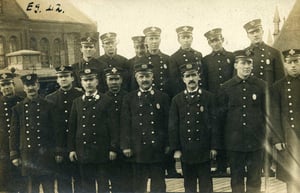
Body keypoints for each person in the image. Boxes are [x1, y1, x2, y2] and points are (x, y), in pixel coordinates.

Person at [218, 50, 267, 193]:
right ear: (235, 65)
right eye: (243, 63)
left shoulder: (261, 86)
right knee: (236, 179)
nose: (246, 66)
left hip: (256, 141)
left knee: (255, 179)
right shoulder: (226, 87)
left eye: (249, 63)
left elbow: (266, 115)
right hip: (234, 142)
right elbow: (221, 118)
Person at [243, 18, 285, 177]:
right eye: (251, 32)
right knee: (254, 131)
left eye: (257, 31)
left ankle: (268, 166)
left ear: (261, 31)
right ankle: (255, 166)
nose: (255, 34)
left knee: (269, 131)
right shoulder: (245, 54)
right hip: (252, 102)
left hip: (269, 100)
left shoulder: (273, 53)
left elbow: (280, 79)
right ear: (248, 35)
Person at [168, 62, 218, 193]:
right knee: (189, 185)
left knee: (206, 184)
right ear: (183, 79)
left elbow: (214, 124)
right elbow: (173, 126)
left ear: (199, 77)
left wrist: (214, 146)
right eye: (187, 76)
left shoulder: (209, 97)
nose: (191, 79)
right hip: (186, 150)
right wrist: (176, 148)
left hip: (204, 149)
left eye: (193, 75)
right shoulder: (177, 100)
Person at [120, 62, 169, 193]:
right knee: (138, 185)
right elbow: (125, 124)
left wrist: (168, 144)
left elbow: (167, 123)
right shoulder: (129, 98)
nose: (144, 79)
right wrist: (126, 146)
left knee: (158, 184)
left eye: (147, 76)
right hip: (137, 149)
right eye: (141, 76)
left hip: (156, 149)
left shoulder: (162, 97)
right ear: (136, 78)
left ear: (153, 77)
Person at [68, 68, 118, 193]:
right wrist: (72, 149)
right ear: (81, 83)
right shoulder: (77, 102)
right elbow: (72, 127)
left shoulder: (106, 101)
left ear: (97, 82)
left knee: (103, 184)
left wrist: (113, 148)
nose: (88, 83)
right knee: (86, 185)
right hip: (83, 151)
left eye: (91, 80)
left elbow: (113, 127)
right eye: (85, 80)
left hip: (102, 151)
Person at [10, 73, 57, 193]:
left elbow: (55, 131)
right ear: (24, 88)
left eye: (33, 85)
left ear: (38, 86)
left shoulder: (49, 106)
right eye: (27, 85)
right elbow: (14, 133)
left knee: (49, 188)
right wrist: (14, 154)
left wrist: (58, 151)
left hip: (46, 156)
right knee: (31, 189)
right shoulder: (18, 108)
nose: (30, 88)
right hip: (28, 156)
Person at [202, 28, 235, 176]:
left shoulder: (231, 57)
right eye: (212, 41)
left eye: (217, 39)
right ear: (209, 43)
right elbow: (204, 81)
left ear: (222, 39)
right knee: (217, 131)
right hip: (214, 102)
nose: (215, 43)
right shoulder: (205, 60)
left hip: (230, 101)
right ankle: (220, 166)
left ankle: (232, 165)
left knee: (231, 131)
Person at [45, 66, 83, 193]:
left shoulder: (81, 95)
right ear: (57, 80)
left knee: (80, 181)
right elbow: (49, 128)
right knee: (63, 183)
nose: (64, 79)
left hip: (78, 147)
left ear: (72, 78)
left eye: (66, 76)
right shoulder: (50, 99)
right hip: (60, 147)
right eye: (61, 77)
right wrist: (57, 150)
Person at [271, 49, 300, 193]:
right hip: (288, 139)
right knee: (291, 177)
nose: (293, 65)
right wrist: (277, 139)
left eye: (296, 61)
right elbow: (274, 115)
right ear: (285, 65)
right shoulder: (278, 86)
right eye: (289, 62)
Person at [103, 67, 131, 193]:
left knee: (130, 181)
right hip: (109, 148)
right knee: (114, 181)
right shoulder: (102, 99)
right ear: (106, 81)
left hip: (128, 147)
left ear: (121, 80)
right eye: (111, 79)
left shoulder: (129, 97)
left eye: (116, 79)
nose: (114, 82)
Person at [0, 73, 24, 193]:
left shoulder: (22, 102)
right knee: (5, 183)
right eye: (3, 85)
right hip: (2, 150)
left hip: (20, 148)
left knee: (22, 182)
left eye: (9, 84)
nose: (6, 87)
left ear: (14, 85)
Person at [131, 27, 171, 96]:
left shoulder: (167, 59)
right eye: (151, 39)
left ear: (160, 40)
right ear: (146, 41)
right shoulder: (140, 60)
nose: (154, 41)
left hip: (165, 97)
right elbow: (134, 85)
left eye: (156, 38)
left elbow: (172, 82)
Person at [170, 25, 203, 96]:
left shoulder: (198, 54)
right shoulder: (174, 57)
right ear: (178, 40)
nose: (186, 40)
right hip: (183, 94)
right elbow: (175, 81)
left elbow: (201, 75)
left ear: (192, 38)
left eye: (188, 37)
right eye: (183, 38)